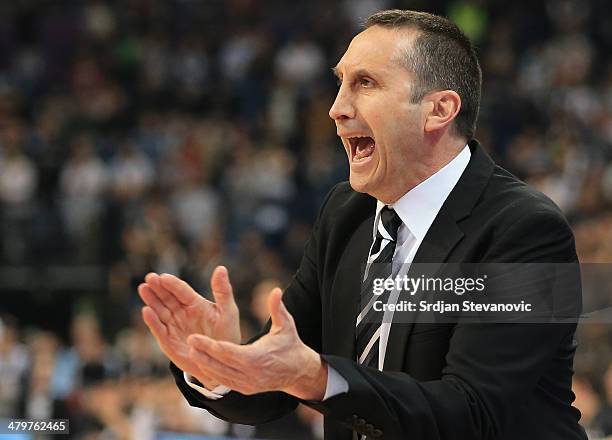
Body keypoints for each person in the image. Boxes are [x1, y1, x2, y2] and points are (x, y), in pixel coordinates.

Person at [138, 9, 587, 440]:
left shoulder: (526, 230)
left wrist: (317, 377)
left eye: (365, 83)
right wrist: (218, 362)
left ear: (439, 110)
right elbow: (274, 386)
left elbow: (471, 414)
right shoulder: (345, 213)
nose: (335, 109)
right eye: (340, 84)